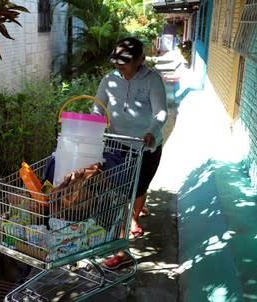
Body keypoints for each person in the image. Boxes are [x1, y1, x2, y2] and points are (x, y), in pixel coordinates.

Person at [92, 37, 167, 270]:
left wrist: (152, 131)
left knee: (138, 189)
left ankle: (131, 223)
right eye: (117, 62)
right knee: (120, 194)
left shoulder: (151, 80)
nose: (119, 66)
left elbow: (161, 112)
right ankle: (121, 246)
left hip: (145, 146)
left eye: (125, 62)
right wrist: (92, 126)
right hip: (117, 145)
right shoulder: (109, 80)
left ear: (140, 60)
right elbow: (97, 107)